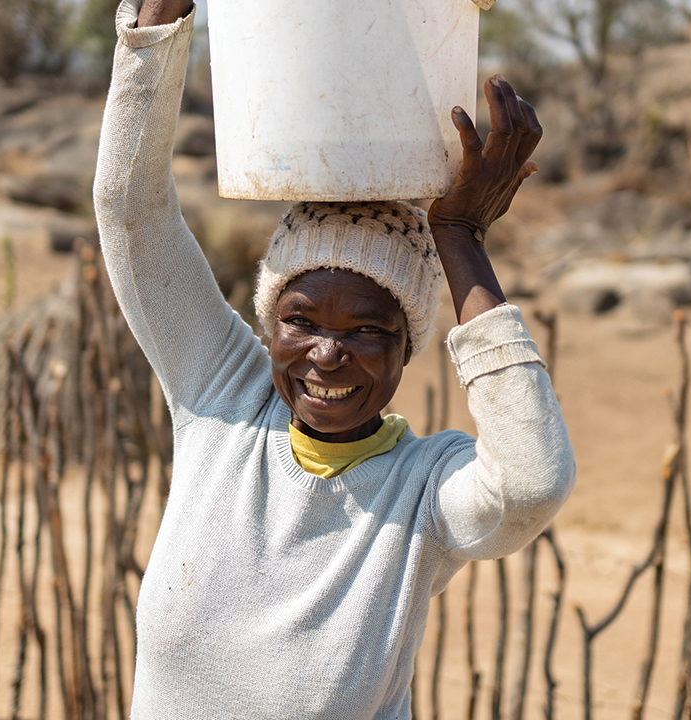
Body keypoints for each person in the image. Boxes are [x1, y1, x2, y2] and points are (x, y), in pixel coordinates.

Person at [94, 2, 576, 718]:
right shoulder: (223, 401)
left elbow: (533, 485)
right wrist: (153, 34)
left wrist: (461, 235)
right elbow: (130, 210)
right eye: (300, 319)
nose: (327, 353)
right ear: (268, 323)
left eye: (368, 329)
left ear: (408, 344)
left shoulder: (421, 494)